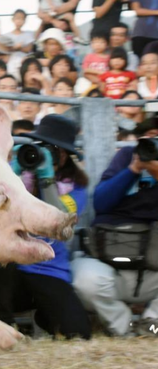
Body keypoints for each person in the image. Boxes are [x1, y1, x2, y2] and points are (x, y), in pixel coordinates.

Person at [0, 114, 92, 340]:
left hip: (48, 269)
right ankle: (4, 328)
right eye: (43, 147)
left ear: (65, 155)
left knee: (78, 333)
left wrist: (47, 179)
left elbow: (58, 222)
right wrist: (11, 173)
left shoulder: (77, 188)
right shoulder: (20, 179)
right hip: (13, 267)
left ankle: (44, 317)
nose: (45, 153)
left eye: (54, 149)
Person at [72, 120, 158, 336]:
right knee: (83, 279)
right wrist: (133, 169)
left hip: (154, 269)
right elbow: (101, 202)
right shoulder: (126, 156)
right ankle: (124, 327)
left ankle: (152, 325)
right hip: (110, 265)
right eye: (150, 137)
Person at [4, 9, 35, 77]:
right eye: (17, 18)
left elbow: (28, 49)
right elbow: (4, 50)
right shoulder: (6, 35)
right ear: (13, 19)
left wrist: (18, 48)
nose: (19, 21)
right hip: (11, 62)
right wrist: (15, 48)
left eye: (22, 19)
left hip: (24, 61)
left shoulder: (28, 34)